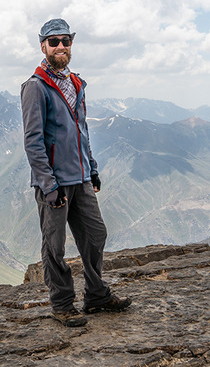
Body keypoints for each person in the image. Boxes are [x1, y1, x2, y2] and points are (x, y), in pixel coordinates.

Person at [20, 18, 132, 327]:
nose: (60, 47)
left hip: (81, 178)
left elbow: (81, 132)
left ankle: (96, 296)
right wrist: (48, 183)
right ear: (42, 46)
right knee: (54, 246)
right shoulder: (36, 86)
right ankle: (62, 304)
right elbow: (33, 140)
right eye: (53, 41)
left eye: (65, 41)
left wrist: (92, 168)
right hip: (53, 183)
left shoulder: (76, 84)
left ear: (71, 45)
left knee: (96, 234)